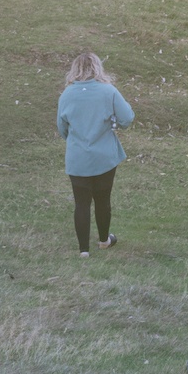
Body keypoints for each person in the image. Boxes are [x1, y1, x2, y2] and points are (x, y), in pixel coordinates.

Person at [56, 52, 134, 258]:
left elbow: (61, 127)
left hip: (78, 156)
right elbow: (127, 119)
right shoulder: (108, 91)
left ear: (75, 69)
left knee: (81, 202)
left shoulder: (67, 94)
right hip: (104, 157)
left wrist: (75, 140)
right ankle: (104, 240)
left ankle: (83, 250)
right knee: (103, 199)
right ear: (98, 68)